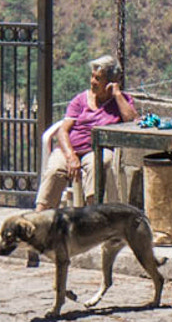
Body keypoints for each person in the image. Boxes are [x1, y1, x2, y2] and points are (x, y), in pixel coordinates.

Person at [36, 57, 137, 209]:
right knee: (55, 170)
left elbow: (133, 121)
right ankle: (39, 218)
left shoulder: (122, 101)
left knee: (99, 165)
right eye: (92, 76)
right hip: (70, 149)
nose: (92, 81)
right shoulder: (80, 100)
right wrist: (71, 156)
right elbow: (63, 131)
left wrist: (116, 94)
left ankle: (93, 215)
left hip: (97, 150)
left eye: (98, 78)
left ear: (110, 82)